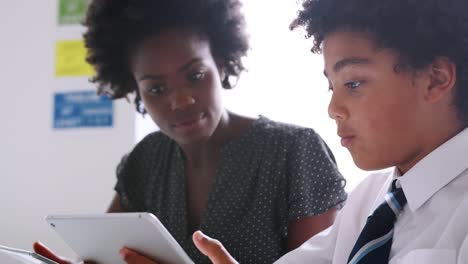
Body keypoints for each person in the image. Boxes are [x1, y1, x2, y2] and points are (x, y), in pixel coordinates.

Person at [33, 0, 347, 263]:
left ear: (221, 64)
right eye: (156, 87)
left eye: (195, 75)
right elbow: (107, 254)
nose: (181, 100)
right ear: (135, 90)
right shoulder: (145, 160)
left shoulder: (294, 152)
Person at [183, 0, 468, 263]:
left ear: (435, 79)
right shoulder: (367, 201)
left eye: (353, 84)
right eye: (332, 87)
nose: (334, 108)